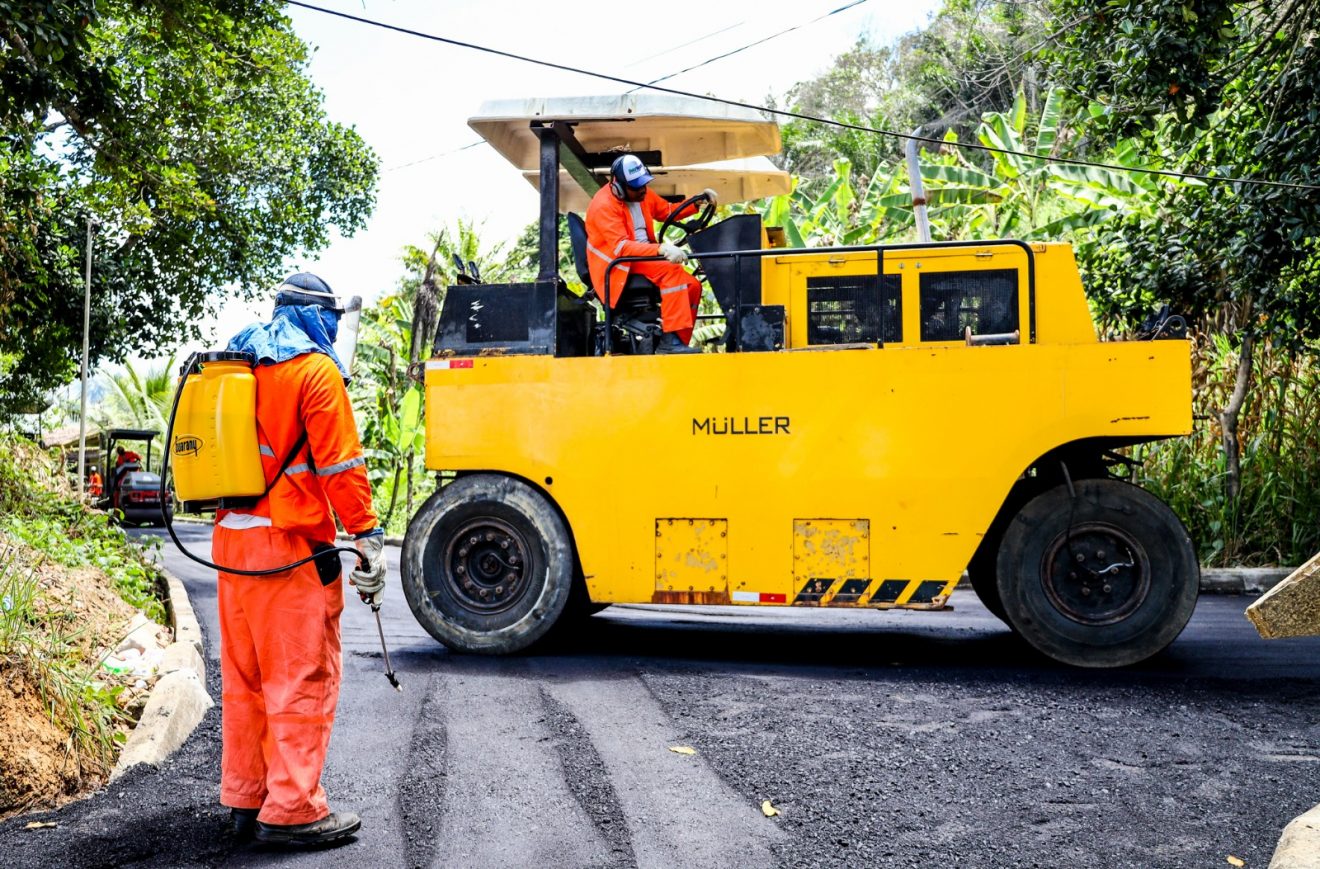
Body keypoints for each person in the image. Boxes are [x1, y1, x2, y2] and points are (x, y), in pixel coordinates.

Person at [213, 272, 386, 847]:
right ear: (319, 317)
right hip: (287, 550)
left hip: (231, 545)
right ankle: (292, 811)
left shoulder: (235, 364)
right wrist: (366, 538)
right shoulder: (314, 372)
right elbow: (341, 468)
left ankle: (247, 798)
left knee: (247, 683)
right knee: (299, 680)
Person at [585, 154, 718, 354]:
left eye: (644, 184)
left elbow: (667, 210)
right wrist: (661, 249)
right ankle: (670, 344)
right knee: (672, 273)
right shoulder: (603, 205)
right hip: (619, 265)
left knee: (693, 285)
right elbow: (621, 247)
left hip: (640, 256)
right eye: (637, 187)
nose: (643, 190)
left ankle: (675, 340)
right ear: (619, 187)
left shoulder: (642, 195)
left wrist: (697, 203)